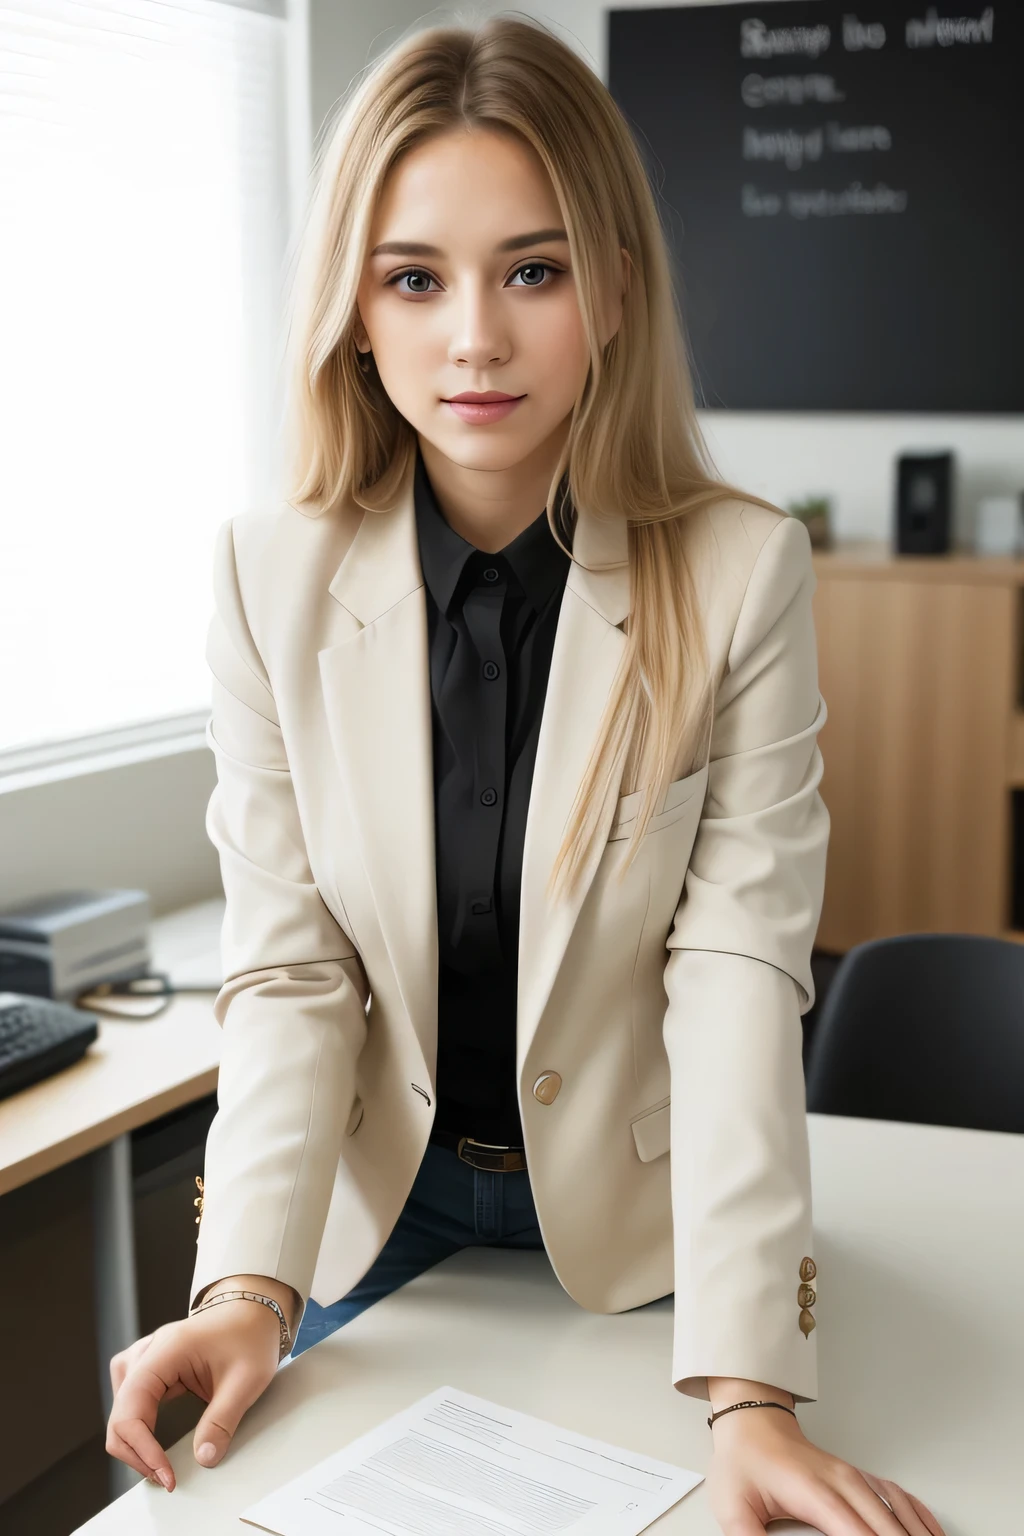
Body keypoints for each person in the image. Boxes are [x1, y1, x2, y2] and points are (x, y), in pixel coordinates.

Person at [105, 16, 945, 1535]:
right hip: (381, 1216)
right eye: (414, 277)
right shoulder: (263, 577)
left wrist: (753, 1392)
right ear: (353, 310)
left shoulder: (745, 569)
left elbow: (741, 968)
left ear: (614, 289)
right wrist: (246, 1289)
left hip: (646, 1221)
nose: (474, 337)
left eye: (534, 271)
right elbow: (292, 972)